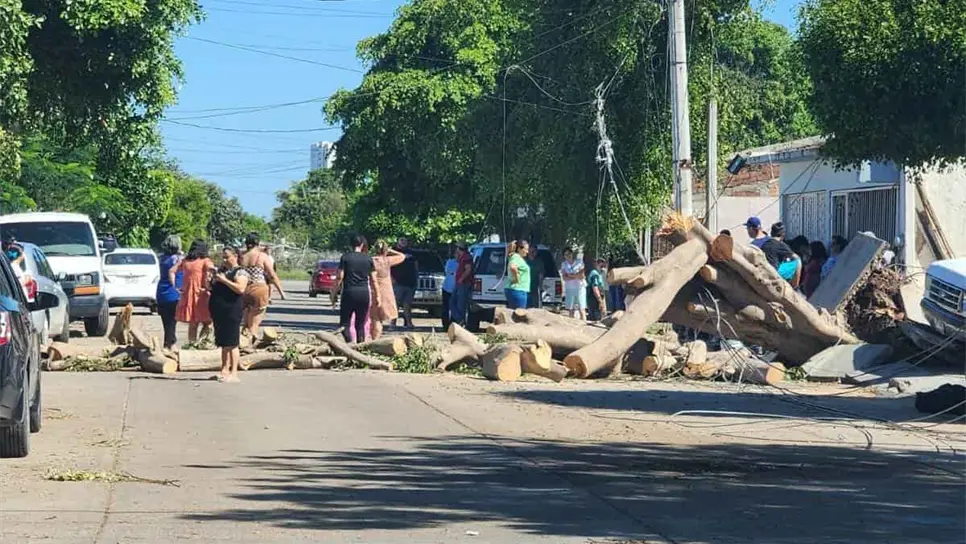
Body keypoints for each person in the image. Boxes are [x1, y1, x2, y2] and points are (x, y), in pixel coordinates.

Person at [208, 246, 249, 383]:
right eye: (223, 257)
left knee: (232, 342)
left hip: (232, 310)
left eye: (227, 257)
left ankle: (234, 373)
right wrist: (210, 279)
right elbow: (210, 288)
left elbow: (240, 289)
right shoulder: (222, 271)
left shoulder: (240, 272)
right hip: (219, 310)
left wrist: (224, 280)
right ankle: (224, 369)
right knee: (223, 341)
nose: (224, 260)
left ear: (235, 256)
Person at [240, 232, 285, 340]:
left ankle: (243, 342)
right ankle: (250, 343)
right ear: (258, 243)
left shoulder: (242, 257)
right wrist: (281, 292)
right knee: (255, 323)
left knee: (246, 322)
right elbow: (272, 275)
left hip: (244, 290)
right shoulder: (262, 256)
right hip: (259, 289)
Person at [334, 234, 378, 343]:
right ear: (362, 244)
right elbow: (374, 279)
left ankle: (349, 344)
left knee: (344, 324)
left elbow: (340, 277)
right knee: (360, 324)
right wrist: (378, 295)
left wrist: (333, 293)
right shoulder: (368, 259)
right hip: (364, 294)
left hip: (349, 293)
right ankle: (360, 347)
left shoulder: (345, 257)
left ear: (350, 244)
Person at [172, 240, 214, 345]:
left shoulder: (185, 261)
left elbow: (172, 271)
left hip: (188, 293)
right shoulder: (205, 260)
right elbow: (212, 271)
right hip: (201, 293)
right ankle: (203, 342)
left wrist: (176, 286)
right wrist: (209, 286)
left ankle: (192, 343)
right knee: (208, 321)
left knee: (193, 322)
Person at [369, 240, 407, 339]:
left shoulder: (371, 260)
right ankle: (375, 340)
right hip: (386, 291)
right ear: (385, 250)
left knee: (375, 318)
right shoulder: (387, 261)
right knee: (380, 318)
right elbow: (402, 256)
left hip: (373, 290)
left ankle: (374, 339)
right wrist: (391, 250)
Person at [156, 235, 183, 350]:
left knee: (167, 322)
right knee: (172, 321)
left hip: (161, 292)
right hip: (174, 292)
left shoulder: (161, 258)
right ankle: (170, 344)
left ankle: (168, 343)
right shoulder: (178, 259)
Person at [391, 237, 418, 329]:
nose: (403, 242)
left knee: (407, 305)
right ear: (397, 241)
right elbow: (388, 266)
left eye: (405, 240)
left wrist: (416, 279)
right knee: (395, 304)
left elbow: (416, 266)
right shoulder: (393, 252)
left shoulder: (411, 253)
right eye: (401, 240)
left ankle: (408, 323)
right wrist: (391, 278)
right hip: (397, 282)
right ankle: (392, 324)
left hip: (410, 283)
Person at [450, 242, 474, 326]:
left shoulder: (467, 257)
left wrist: (461, 279)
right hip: (459, 283)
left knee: (461, 304)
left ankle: (461, 321)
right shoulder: (462, 257)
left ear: (459, 248)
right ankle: (460, 319)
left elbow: (468, 269)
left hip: (464, 283)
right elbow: (456, 260)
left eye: (457, 248)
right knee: (452, 302)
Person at [560, 248, 587, 320]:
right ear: (564, 256)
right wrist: (576, 275)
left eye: (569, 253)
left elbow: (582, 276)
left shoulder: (579, 262)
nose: (568, 256)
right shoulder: (563, 264)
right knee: (571, 310)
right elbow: (565, 278)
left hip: (580, 288)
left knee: (582, 309)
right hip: (569, 288)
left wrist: (570, 275)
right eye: (566, 254)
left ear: (572, 254)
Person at [505, 240, 530, 310]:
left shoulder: (516, 257)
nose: (527, 252)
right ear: (519, 249)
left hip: (518, 290)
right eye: (526, 249)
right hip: (518, 290)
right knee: (519, 315)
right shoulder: (516, 257)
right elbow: (513, 267)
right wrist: (517, 278)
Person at [441, 245, 458, 329]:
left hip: (457, 288)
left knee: (455, 307)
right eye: (456, 254)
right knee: (446, 307)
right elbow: (447, 271)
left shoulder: (463, 263)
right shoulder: (450, 262)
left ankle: (454, 323)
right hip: (447, 287)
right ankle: (445, 324)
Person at [525, 244, 545, 309]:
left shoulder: (539, 262)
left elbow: (541, 275)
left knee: (535, 309)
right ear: (528, 251)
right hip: (524, 289)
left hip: (535, 290)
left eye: (534, 251)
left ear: (536, 252)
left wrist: (540, 286)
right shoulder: (523, 261)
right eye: (530, 251)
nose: (532, 253)